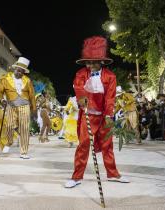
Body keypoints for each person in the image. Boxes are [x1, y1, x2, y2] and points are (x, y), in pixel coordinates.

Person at [65, 36, 129, 188]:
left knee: (108, 145)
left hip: (104, 116)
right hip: (88, 114)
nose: (90, 64)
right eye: (88, 61)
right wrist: (82, 99)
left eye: (94, 61)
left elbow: (110, 97)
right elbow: (79, 87)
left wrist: (108, 115)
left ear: (101, 61)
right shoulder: (81, 73)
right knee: (84, 144)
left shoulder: (110, 76)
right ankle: (76, 177)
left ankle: (113, 174)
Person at [0, 57, 36, 159]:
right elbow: (0, 92)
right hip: (11, 106)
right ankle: (9, 142)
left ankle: (23, 152)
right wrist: (2, 100)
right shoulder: (5, 79)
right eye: (18, 70)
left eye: (22, 71)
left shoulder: (27, 81)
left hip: (25, 106)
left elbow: (32, 96)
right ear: (14, 69)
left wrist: (34, 109)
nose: (19, 73)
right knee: (9, 126)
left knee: (24, 129)